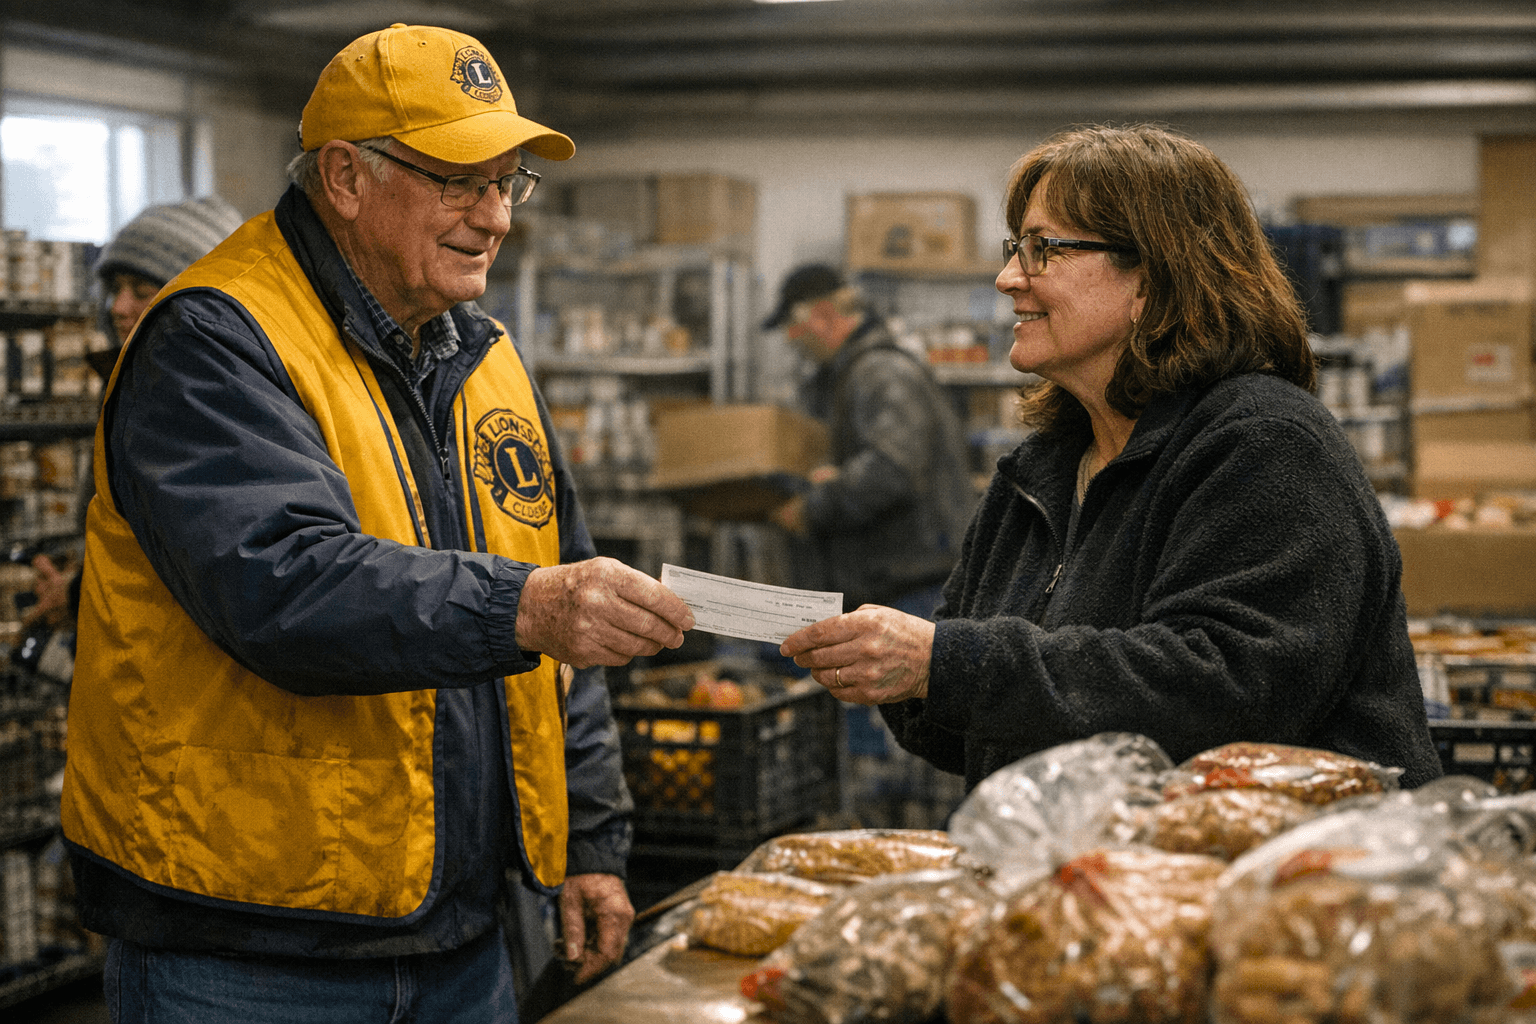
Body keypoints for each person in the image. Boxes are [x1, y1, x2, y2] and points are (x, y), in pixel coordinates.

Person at [58, 22, 695, 1024]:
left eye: (508, 182)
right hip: (249, 949)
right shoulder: (216, 340)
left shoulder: (483, 359)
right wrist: (527, 605)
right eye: (459, 180)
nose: (495, 218)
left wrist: (590, 845)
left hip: (462, 940)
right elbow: (285, 586)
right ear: (346, 177)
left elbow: (568, 633)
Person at [780, 124, 1442, 794]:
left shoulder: (1265, 444)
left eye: (1043, 249)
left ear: (1151, 280)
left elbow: (1228, 691)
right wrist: (899, 677)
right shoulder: (1040, 474)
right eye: (1017, 248)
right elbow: (980, 728)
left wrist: (947, 665)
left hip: (1291, 879)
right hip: (1102, 877)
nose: (1009, 279)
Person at [763, 264, 974, 826]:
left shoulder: (880, 372)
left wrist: (813, 508)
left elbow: (893, 467)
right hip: (887, 584)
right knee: (883, 749)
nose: (789, 338)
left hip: (911, 587)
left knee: (904, 758)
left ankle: (909, 861)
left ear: (825, 316)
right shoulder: (852, 375)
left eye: (793, 324)